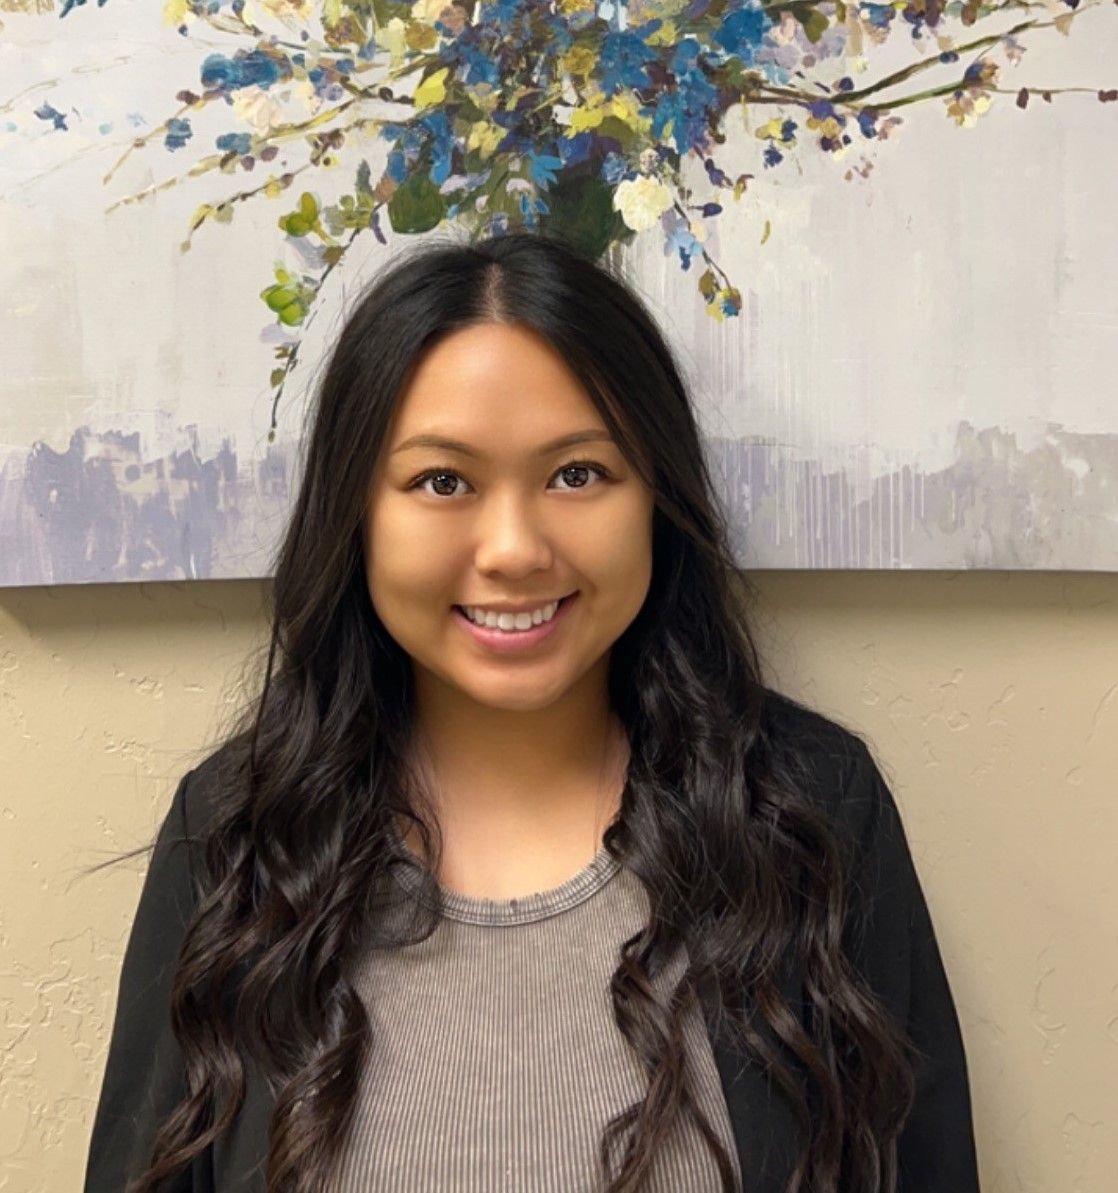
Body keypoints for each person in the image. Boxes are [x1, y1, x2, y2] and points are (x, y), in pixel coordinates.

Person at [83, 229, 981, 1193]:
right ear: (357, 514)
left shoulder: (814, 809)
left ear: (656, 499)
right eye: (442, 481)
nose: (513, 548)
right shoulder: (234, 835)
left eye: (577, 473)